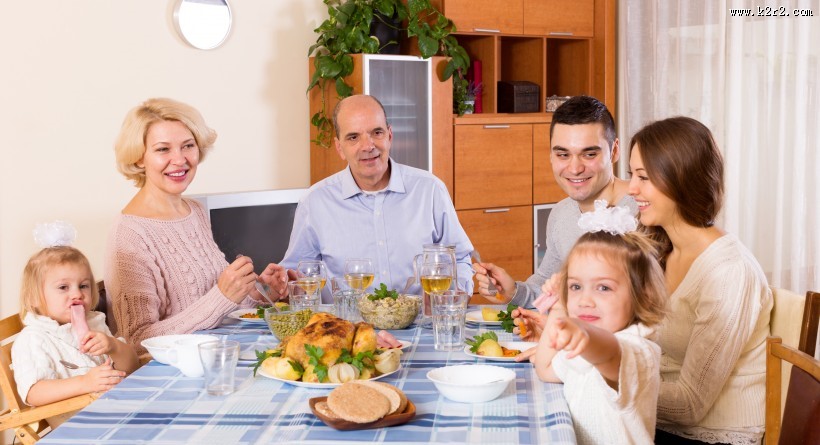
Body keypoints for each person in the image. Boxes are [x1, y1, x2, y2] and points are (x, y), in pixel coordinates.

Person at [628, 117, 771, 444]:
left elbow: (689, 405)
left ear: (681, 179)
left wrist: (608, 376)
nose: (632, 188)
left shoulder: (729, 272)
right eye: (631, 175)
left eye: (643, 177)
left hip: (712, 435)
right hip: (659, 423)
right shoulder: (662, 250)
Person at [106, 98, 277, 354]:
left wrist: (259, 292)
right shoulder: (130, 235)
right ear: (139, 158)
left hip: (217, 354)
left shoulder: (194, 211)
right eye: (163, 149)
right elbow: (138, 343)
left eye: (188, 146)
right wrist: (223, 295)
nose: (180, 159)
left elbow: (213, 309)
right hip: (172, 371)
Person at [274, 94, 474, 299]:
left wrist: (457, 297)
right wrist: (278, 283)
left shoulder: (430, 190)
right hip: (347, 327)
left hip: (421, 325)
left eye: (376, 132)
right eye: (353, 137)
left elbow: (460, 259)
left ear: (389, 136)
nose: (368, 146)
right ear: (339, 147)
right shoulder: (315, 202)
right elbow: (295, 275)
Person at [473, 95, 636, 308]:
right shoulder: (561, 213)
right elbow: (545, 281)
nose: (575, 168)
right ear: (551, 155)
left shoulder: (641, 207)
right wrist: (513, 291)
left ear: (614, 151)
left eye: (589, 154)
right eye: (563, 155)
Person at [532, 202, 667, 444]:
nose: (584, 300)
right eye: (575, 286)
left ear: (642, 295)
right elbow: (545, 368)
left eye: (603, 287)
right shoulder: (585, 344)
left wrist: (583, 334)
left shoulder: (639, 349)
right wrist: (560, 307)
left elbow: (610, 354)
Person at [12, 222, 139, 426]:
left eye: (83, 286)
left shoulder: (95, 324)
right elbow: (34, 393)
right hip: (81, 426)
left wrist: (113, 346)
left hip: (118, 411)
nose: (77, 294)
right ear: (34, 297)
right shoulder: (33, 339)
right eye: (63, 287)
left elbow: (131, 366)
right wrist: (85, 383)